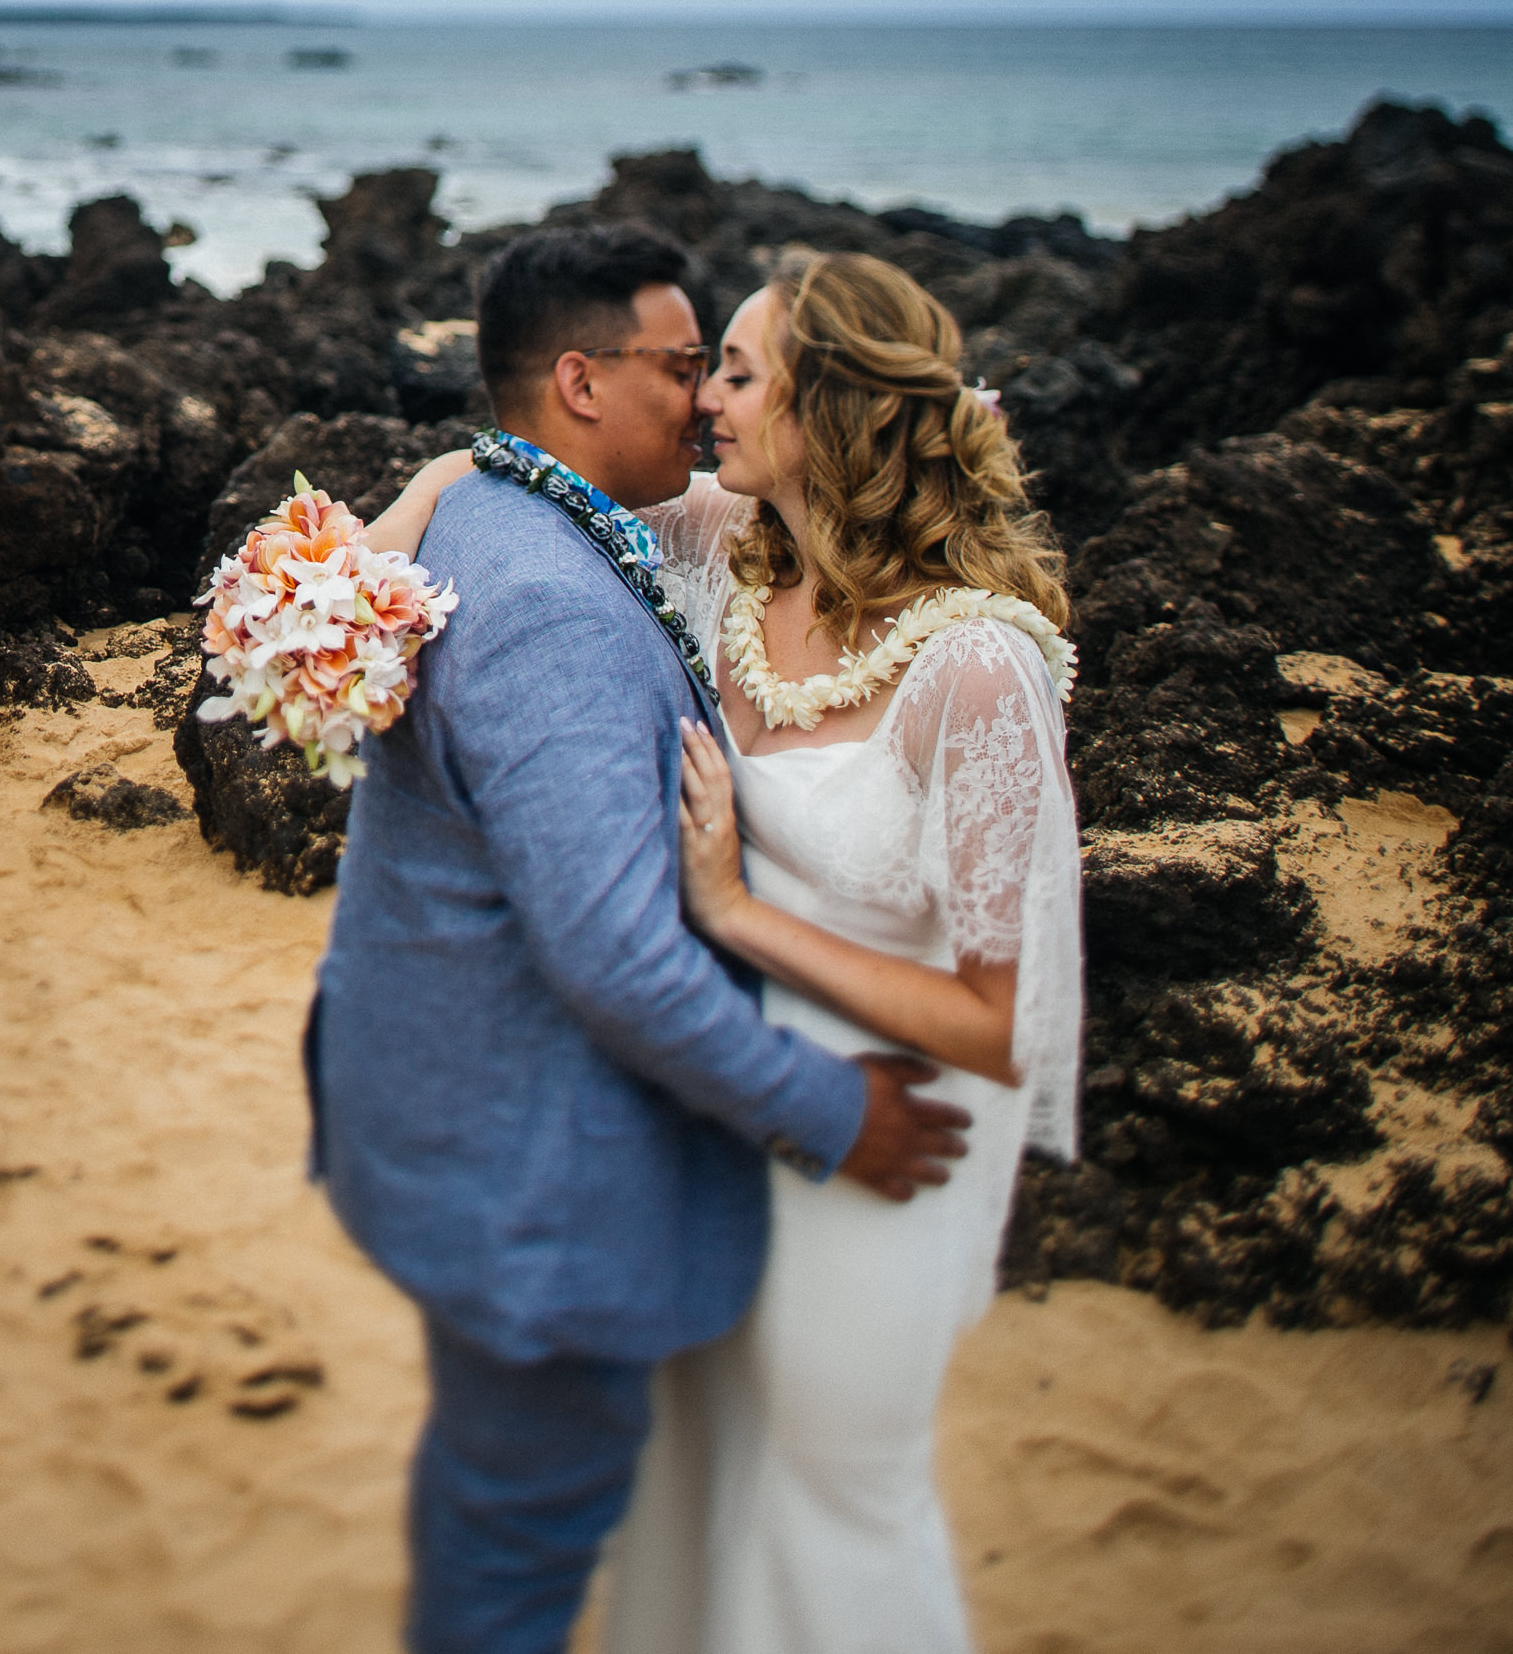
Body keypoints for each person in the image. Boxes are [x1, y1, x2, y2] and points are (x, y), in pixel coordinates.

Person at [367, 244, 1085, 1654]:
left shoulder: (978, 670)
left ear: (829, 411)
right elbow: (508, 468)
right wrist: (360, 572)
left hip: (893, 1112)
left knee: (833, 1489)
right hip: (718, 1101)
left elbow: (1007, 1020)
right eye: (702, 370)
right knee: (694, 1477)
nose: (707, 406)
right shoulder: (723, 560)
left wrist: (741, 917)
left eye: (739, 374)